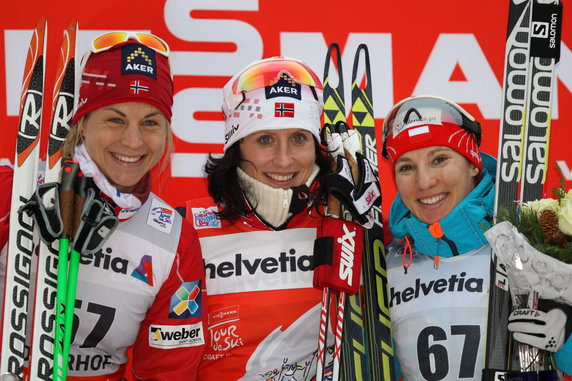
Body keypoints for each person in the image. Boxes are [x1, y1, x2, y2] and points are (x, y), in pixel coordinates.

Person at [1, 32, 207, 380]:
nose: (133, 140)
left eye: (151, 123)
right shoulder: (14, 189)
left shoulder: (173, 240)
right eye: (115, 119)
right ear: (81, 122)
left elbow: (167, 370)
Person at [381, 95, 572, 380]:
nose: (424, 182)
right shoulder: (385, 265)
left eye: (440, 159)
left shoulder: (536, 240)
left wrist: (567, 330)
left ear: (473, 164)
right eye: (406, 167)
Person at [182, 57, 336, 380]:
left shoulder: (345, 226)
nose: (284, 159)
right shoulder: (188, 228)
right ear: (237, 148)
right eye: (265, 139)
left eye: (298, 138)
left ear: (316, 146)